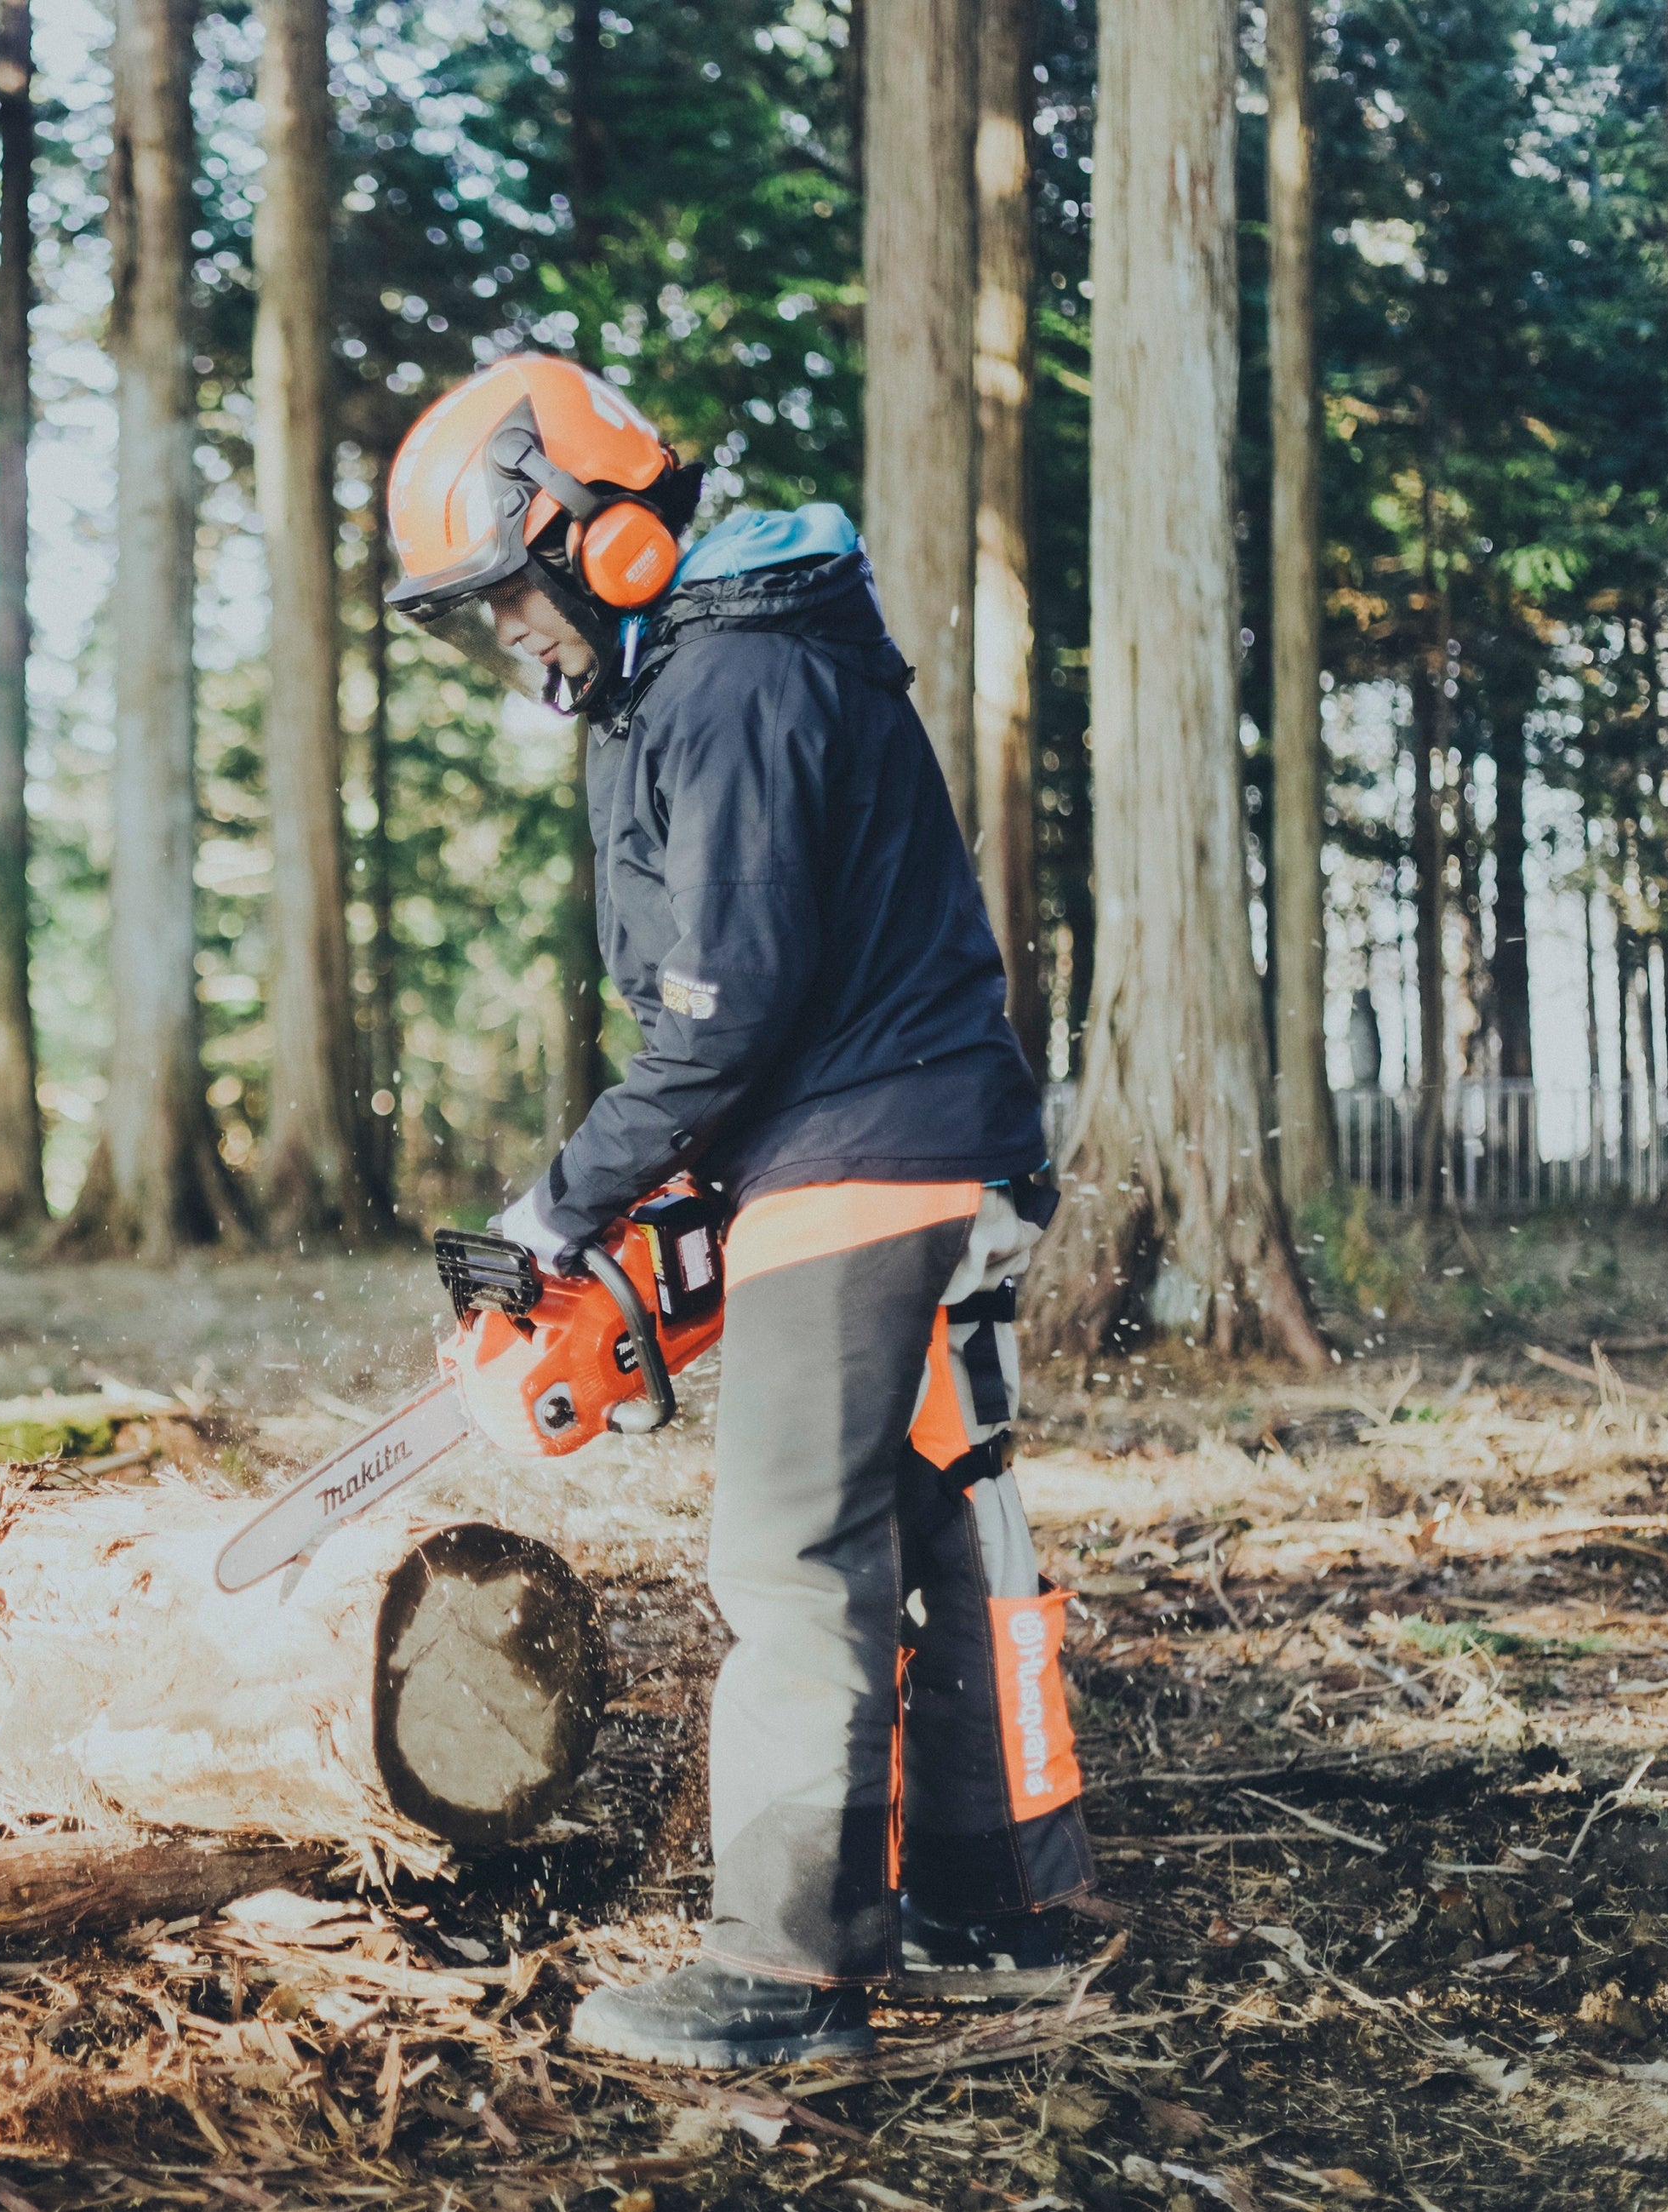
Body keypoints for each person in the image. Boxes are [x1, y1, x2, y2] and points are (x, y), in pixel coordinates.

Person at [381, 356, 1096, 2066]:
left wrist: (565, 1204)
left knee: (789, 1557)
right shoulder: (729, 667)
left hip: (870, 1160)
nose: (514, 641)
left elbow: (722, 1012)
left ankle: (782, 1972)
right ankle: (986, 1911)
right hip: (907, 1135)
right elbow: (758, 1006)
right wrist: (650, 1216)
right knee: (933, 1528)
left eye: (512, 602)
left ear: (596, 542)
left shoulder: (731, 681)